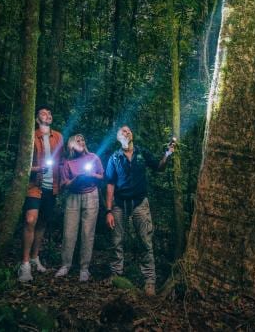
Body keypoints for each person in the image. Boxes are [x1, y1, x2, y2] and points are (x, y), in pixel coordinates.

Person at [104, 125, 175, 296]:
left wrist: (168, 154)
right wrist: (108, 211)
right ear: (118, 138)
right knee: (117, 240)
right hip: (119, 204)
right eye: (122, 131)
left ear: (132, 134)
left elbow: (159, 167)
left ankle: (149, 281)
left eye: (128, 130)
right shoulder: (114, 158)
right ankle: (116, 275)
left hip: (140, 203)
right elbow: (110, 185)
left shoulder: (142, 153)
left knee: (145, 241)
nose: (126, 132)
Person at [18, 106, 63, 283]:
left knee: (42, 223)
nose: (48, 115)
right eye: (43, 113)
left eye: (50, 113)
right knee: (30, 220)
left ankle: (36, 258)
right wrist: (38, 168)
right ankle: (25, 263)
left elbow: (61, 160)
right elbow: (22, 164)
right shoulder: (31, 135)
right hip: (34, 185)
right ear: (37, 119)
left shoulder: (58, 136)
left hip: (52, 187)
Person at [55, 134, 103, 282]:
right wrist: (76, 179)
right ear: (71, 145)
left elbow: (101, 176)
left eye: (83, 140)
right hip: (73, 197)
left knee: (87, 232)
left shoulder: (93, 157)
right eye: (77, 141)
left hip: (91, 196)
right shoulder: (67, 162)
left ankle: (84, 268)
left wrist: (92, 174)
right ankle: (65, 265)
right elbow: (64, 185)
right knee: (69, 232)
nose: (81, 142)